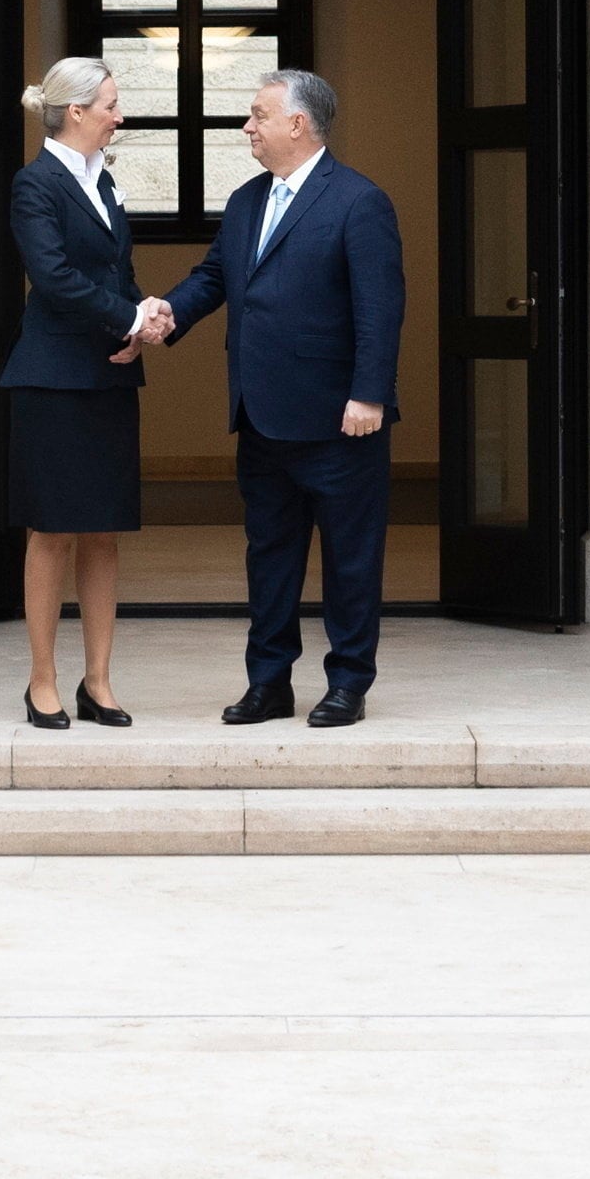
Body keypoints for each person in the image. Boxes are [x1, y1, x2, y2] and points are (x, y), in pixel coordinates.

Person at [133, 68, 405, 728]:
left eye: (257, 115)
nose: (247, 127)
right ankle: (269, 683)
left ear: (298, 123)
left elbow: (381, 308)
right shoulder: (249, 199)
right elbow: (214, 276)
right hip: (261, 418)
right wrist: (170, 312)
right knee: (271, 558)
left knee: (350, 559)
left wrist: (369, 393)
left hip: (342, 421)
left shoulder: (359, 201)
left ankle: (347, 683)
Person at [0, 56, 144, 729]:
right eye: (112, 103)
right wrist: (127, 317)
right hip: (52, 380)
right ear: (77, 111)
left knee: (104, 533)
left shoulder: (103, 181)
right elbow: (53, 279)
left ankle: (100, 681)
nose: (120, 114)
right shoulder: (36, 184)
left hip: (108, 375)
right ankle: (42, 681)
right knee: (52, 531)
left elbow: (118, 272)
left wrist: (143, 318)